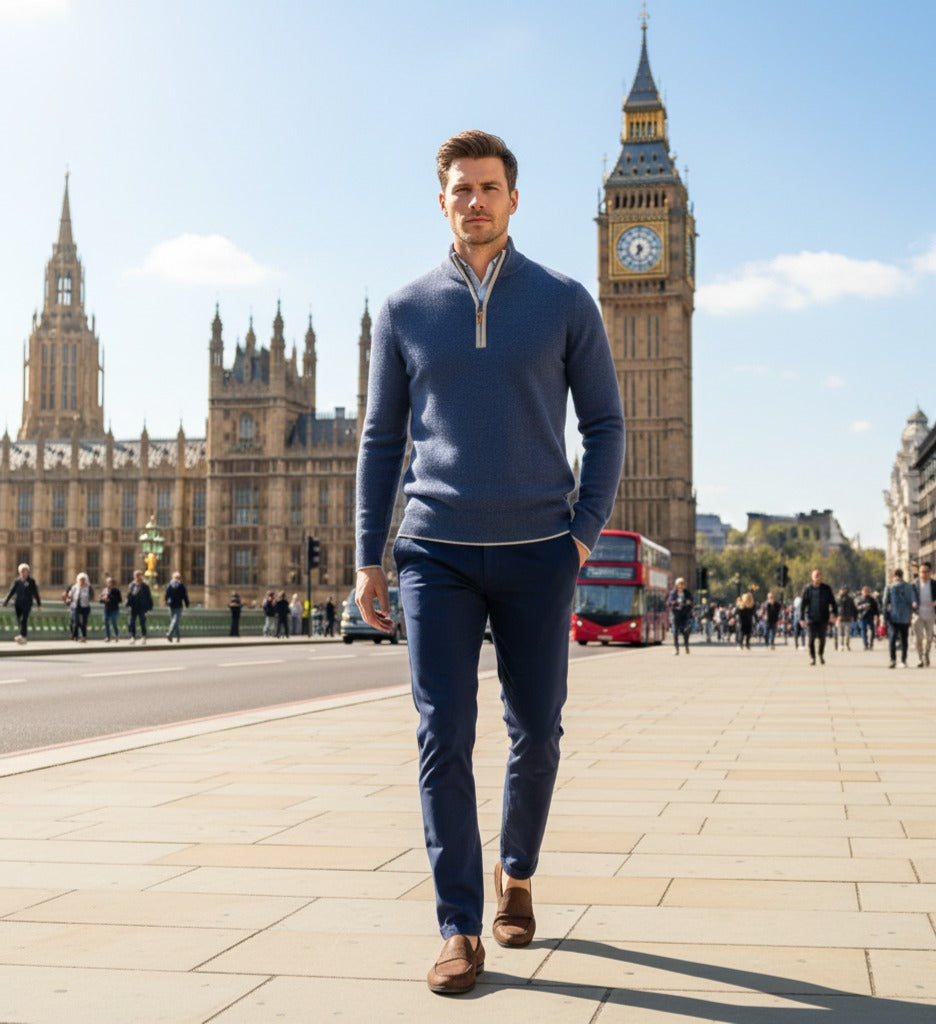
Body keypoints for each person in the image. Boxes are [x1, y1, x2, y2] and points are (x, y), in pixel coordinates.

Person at [354, 130, 625, 995]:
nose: (475, 200)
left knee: (536, 734)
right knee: (443, 735)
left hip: (538, 550)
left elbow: (607, 427)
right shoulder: (404, 309)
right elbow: (380, 439)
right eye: (461, 188)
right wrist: (369, 557)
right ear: (442, 200)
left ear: (515, 198)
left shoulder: (564, 300)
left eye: (489, 187)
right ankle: (458, 925)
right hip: (433, 549)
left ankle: (519, 872)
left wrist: (580, 533)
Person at [799, 568, 838, 666]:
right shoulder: (807, 589)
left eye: (819, 575)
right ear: (812, 577)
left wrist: (834, 614)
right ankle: (813, 657)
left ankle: (820, 654)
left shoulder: (826, 588)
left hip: (823, 617)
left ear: (821, 577)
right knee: (811, 639)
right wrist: (802, 618)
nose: (817, 577)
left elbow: (833, 602)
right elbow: (802, 604)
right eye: (815, 575)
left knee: (822, 639)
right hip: (811, 618)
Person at [3, 563, 42, 644]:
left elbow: (35, 593)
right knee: (19, 620)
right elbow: (11, 592)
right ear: (20, 572)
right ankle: (22, 636)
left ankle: (23, 636)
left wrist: (39, 604)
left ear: (28, 572)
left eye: (26, 571)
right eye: (22, 571)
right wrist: (5, 602)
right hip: (18, 603)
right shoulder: (17, 581)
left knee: (23, 619)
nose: (24, 573)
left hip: (27, 603)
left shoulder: (31, 581)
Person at [884, 568, 914, 669]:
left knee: (892, 639)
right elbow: (911, 602)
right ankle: (903, 660)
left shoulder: (889, 587)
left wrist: (885, 617)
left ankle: (893, 659)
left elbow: (885, 603)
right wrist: (910, 615)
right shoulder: (909, 587)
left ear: (894, 576)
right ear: (902, 575)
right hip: (905, 616)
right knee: (904, 639)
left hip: (893, 616)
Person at [911, 561, 936, 667]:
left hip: (930, 614)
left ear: (930, 572)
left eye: (926, 572)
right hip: (918, 614)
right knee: (918, 638)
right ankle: (920, 658)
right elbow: (910, 597)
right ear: (919, 572)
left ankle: (926, 654)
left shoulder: (934, 584)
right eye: (922, 571)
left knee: (929, 637)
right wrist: (912, 602)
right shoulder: (914, 584)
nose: (924, 574)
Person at [666, 577, 693, 655]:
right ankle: (676, 649)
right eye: (679, 584)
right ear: (676, 585)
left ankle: (686, 645)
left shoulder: (687, 593)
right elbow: (669, 602)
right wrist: (674, 603)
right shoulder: (673, 593)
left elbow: (691, 601)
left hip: (684, 615)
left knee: (685, 632)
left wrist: (689, 603)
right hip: (675, 614)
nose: (680, 586)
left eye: (682, 584)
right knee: (675, 632)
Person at [126, 569, 153, 644]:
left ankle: (143, 637)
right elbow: (128, 595)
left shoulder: (145, 586)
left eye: (139, 575)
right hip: (133, 606)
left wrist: (149, 607)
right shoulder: (132, 585)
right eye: (136, 576)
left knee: (142, 622)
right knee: (131, 623)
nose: (137, 577)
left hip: (142, 607)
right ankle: (132, 637)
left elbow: (148, 597)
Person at [66, 572, 93, 642]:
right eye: (80, 580)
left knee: (84, 623)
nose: (82, 582)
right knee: (76, 621)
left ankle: (84, 636)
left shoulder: (88, 588)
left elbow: (92, 597)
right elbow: (70, 595)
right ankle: (74, 636)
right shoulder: (75, 587)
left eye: (83, 580)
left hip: (85, 606)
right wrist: (68, 599)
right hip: (76, 606)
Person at [164, 571, 189, 642]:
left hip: (178, 606)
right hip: (171, 605)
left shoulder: (181, 586)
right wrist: (166, 602)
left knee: (175, 621)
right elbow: (167, 595)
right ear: (173, 577)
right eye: (176, 577)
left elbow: (185, 595)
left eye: (178, 577)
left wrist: (187, 603)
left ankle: (169, 633)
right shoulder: (169, 585)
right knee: (175, 622)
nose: (177, 579)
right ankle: (177, 637)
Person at [856, 585, 880, 650]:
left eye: (867, 591)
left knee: (872, 630)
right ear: (862, 592)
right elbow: (857, 608)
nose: (865, 593)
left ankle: (871, 644)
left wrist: (876, 616)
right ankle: (865, 644)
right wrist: (863, 606)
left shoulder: (872, 599)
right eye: (864, 591)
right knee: (864, 631)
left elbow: (876, 609)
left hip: (870, 616)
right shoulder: (859, 599)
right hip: (862, 617)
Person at [100, 576, 122, 642]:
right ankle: (108, 636)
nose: (109, 584)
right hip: (107, 608)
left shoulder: (116, 591)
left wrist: (109, 595)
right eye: (108, 583)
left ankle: (116, 635)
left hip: (114, 609)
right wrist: (103, 599)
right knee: (106, 622)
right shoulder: (104, 590)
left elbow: (119, 600)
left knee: (113, 622)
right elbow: (101, 600)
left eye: (110, 583)